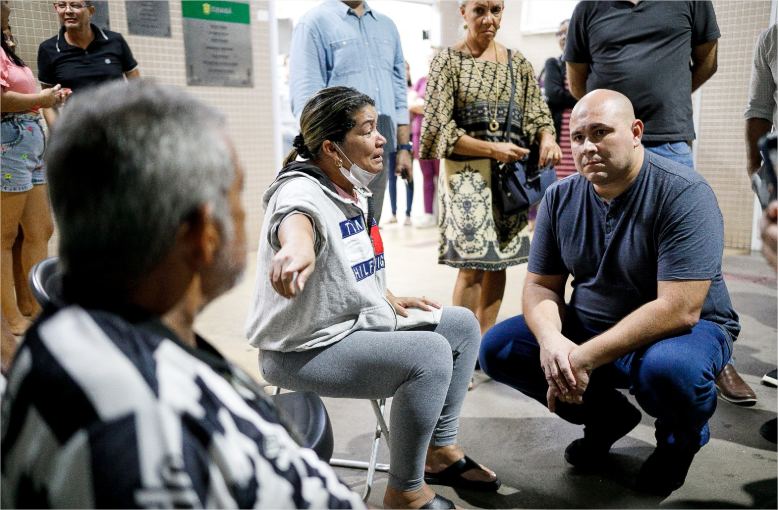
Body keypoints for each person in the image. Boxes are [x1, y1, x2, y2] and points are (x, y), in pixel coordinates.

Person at [0, 80, 365, 509]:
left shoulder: (54, 342)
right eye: (237, 195)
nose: (247, 213)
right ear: (202, 233)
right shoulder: (150, 433)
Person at [246, 86, 499, 509]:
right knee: (431, 354)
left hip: (348, 325)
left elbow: (346, 259)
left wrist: (382, 294)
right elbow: (296, 224)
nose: (382, 138)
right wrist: (297, 249)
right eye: (366, 131)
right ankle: (404, 491)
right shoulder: (300, 193)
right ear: (331, 146)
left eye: (377, 127)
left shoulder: (348, 184)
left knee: (461, 324)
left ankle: (439, 450)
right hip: (300, 350)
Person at [480, 90, 740, 496]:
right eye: (579, 137)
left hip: (681, 333)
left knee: (670, 372)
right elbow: (540, 285)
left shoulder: (683, 193)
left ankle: (679, 440)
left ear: (636, 132)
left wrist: (580, 358)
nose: (588, 147)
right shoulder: (560, 197)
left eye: (601, 133)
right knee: (500, 348)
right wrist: (552, 343)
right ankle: (606, 419)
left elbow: (680, 308)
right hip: (593, 323)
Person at [565, 0, 755, 405]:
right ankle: (617, 338)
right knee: (613, 242)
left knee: (694, 247)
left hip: (667, 136)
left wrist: (665, 98)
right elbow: (577, 79)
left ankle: (716, 353)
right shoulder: (589, 9)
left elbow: (708, 59)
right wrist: (606, 123)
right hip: (610, 135)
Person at [420, 0, 560, 334]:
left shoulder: (518, 63)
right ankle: (460, 349)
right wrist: (492, 149)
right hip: (466, 179)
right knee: (471, 267)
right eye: (479, 10)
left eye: (495, 10)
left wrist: (547, 137)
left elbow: (538, 112)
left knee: (499, 265)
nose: (488, 19)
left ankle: (483, 344)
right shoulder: (448, 61)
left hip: (510, 179)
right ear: (463, 12)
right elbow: (437, 128)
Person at [288, 0, 411, 225]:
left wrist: (404, 148)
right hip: (338, 142)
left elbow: (399, 92)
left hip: (381, 133)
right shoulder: (314, 23)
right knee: (339, 228)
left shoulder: (387, 26)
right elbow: (306, 98)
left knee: (371, 225)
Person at [564, 0, 718, 169]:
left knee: (675, 194)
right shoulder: (587, 7)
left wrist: (670, 97)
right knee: (601, 196)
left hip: (667, 140)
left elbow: (708, 63)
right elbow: (576, 83)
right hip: (605, 141)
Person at [1, 0, 67, 336]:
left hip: (29, 140)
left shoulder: (6, 47)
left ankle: (34, 306)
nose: (9, 6)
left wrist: (48, 96)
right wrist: (40, 101)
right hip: (8, 142)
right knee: (4, 236)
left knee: (40, 230)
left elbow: (20, 91)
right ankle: (11, 317)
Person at [37, 0, 139, 125]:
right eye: (62, 5)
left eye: (75, 5)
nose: (68, 11)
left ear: (91, 11)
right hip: (79, 131)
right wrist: (59, 135)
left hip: (119, 127)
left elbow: (137, 86)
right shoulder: (48, 49)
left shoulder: (115, 40)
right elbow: (48, 103)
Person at [543, 19, 576, 180]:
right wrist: (583, 100)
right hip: (561, 133)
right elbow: (554, 95)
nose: (563, 37)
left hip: (581, 130)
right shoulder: (553, 63)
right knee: (559, 182)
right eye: (559, 33)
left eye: (567, 32)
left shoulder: (590, 64)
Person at [411, 51, 440, 229]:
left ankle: (443, 215)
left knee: (441, 177)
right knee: (427, 176)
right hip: (420, 137)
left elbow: (441, 107)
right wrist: (428, 106)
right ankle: (428, 214)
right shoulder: (421, 81)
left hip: (437, 138)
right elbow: (412, 105)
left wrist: (423, 105)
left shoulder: (444, 83)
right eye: (430, 59)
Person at [387, 61, 415, 225]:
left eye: (407, 69)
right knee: (392, 178)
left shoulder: (412, 92)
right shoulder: (392, 94)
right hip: (392, 140)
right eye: (401, 69)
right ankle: (393, 213)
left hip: (408, 142)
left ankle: (409, 214)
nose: (405, 72)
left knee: (408, 177)